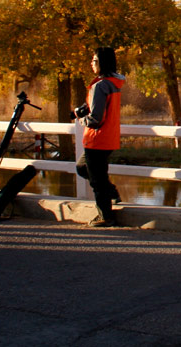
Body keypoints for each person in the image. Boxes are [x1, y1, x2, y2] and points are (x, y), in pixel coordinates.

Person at [78, 47, 125, 227]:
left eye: (95, 61)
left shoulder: (100, 86)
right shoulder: (114, 84)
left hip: (97, 138)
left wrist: (82, 120)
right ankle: (111, 192)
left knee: (97, 179)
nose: (92, 64)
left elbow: (96, 119)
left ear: (102, 64)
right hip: (110, 137)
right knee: (83, 167)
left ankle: (105, 215)